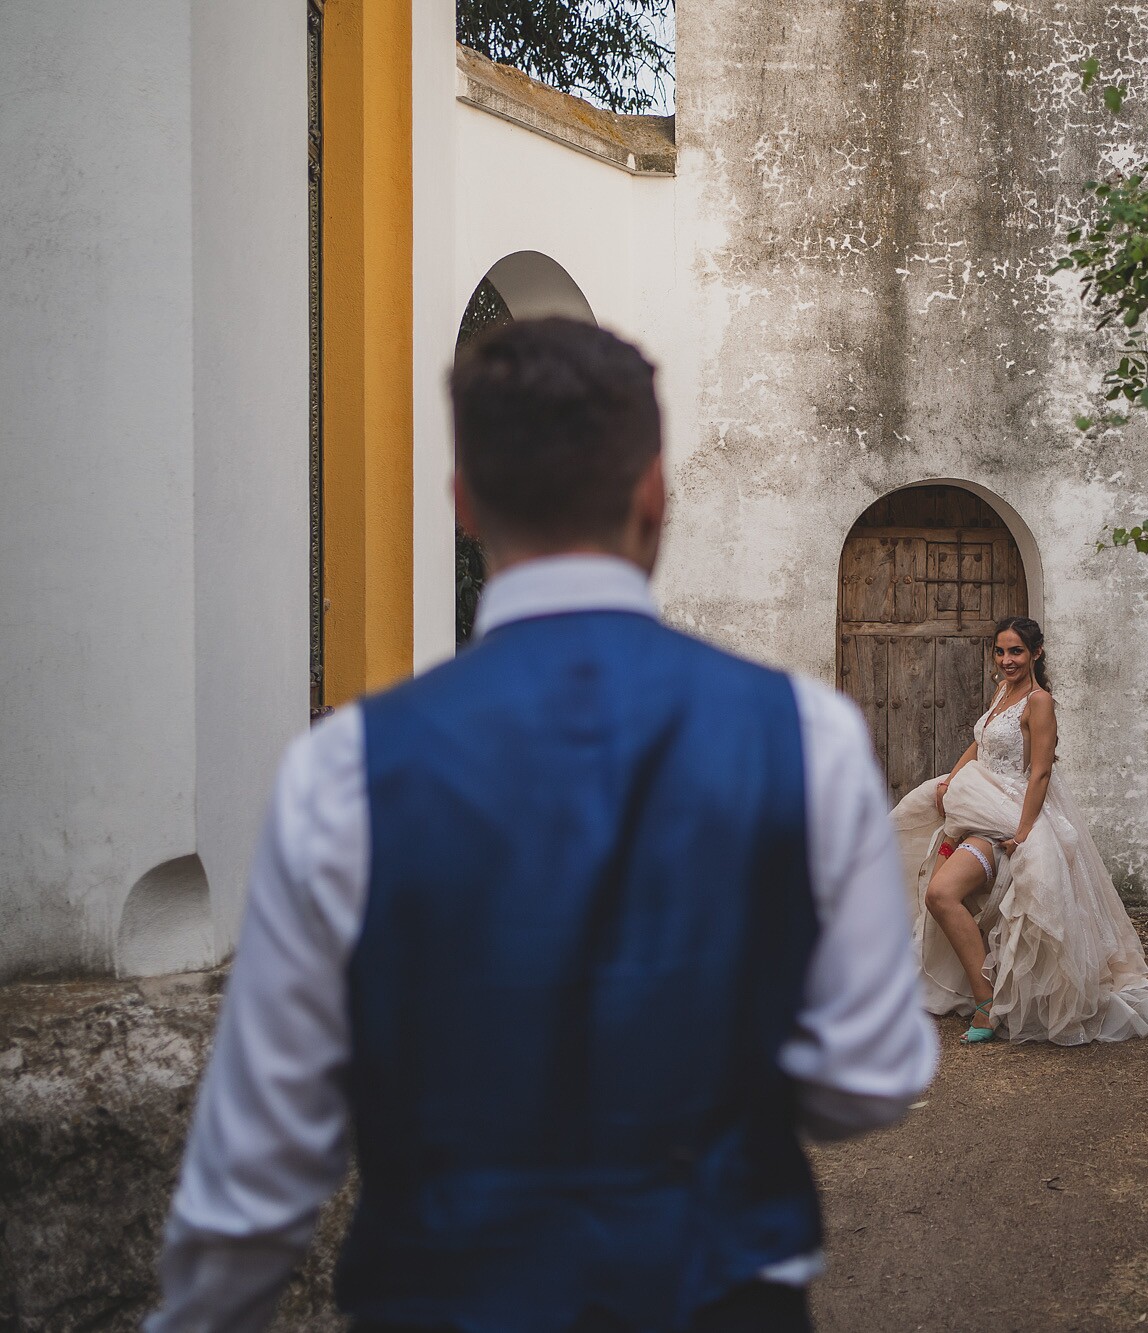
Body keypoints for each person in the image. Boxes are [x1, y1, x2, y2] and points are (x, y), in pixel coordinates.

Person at [145, 318, 936, 1333]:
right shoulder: (808, 736)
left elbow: (257, 1172)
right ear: (653, 491)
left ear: (463, 500)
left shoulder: (343, 769)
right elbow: (870, 1080)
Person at [891, 617, 1148, 1045]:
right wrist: (953, 779)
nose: (1007, 660)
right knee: (939, 892)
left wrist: (1023, 832)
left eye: (1016, 652)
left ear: (1036, 653)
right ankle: (984, 995)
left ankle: (992, 1005)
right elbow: (981, 740)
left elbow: (1040, 772)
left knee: (943, 894)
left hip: (1013, 813)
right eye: (1001, 651)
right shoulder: (1003, 692)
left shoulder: (1040, 702)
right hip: (979, 808)